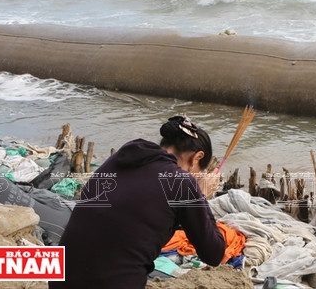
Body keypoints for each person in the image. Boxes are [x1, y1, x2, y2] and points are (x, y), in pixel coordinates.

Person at [50, 115, 225, 289]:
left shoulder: (123, 157)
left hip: (61, 280)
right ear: (197, 158)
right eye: (199, 173)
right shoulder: (181, 181)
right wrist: (200, 195)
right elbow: (214, 253)